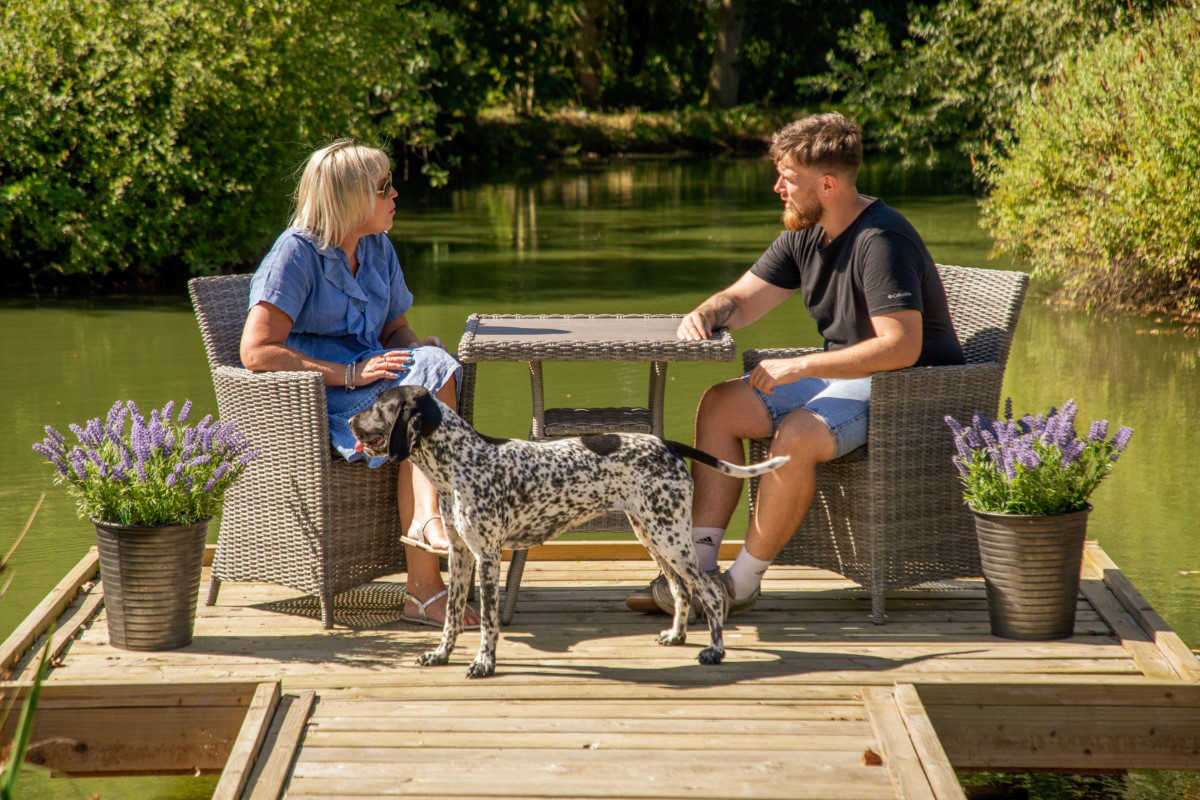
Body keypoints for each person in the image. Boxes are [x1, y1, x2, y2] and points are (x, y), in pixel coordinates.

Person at [625, 112, 964, 616]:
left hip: (902, 388)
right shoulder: (809, 232)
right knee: (720, 405)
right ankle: (692, 572)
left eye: (788, 177)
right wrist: (706, 311)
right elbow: (742, 299)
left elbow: (901, 347)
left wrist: (801, 366)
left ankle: (739, 585)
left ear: (827, 184)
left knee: (798, 434)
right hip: (843, 375)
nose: (777, 187)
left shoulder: (881, 242)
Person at [241, 139, 479, 629]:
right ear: (350, 198)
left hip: (379, 383)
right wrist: (347, 373)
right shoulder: (296, 254)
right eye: (384, 186)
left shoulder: (377, 247)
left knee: (434, 368)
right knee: (425, 390)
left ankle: (425, 542)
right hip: (321, 398)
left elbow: (395, 330)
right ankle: (425, 575)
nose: (395, 194)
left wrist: (417, 350)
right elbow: (257, 351)